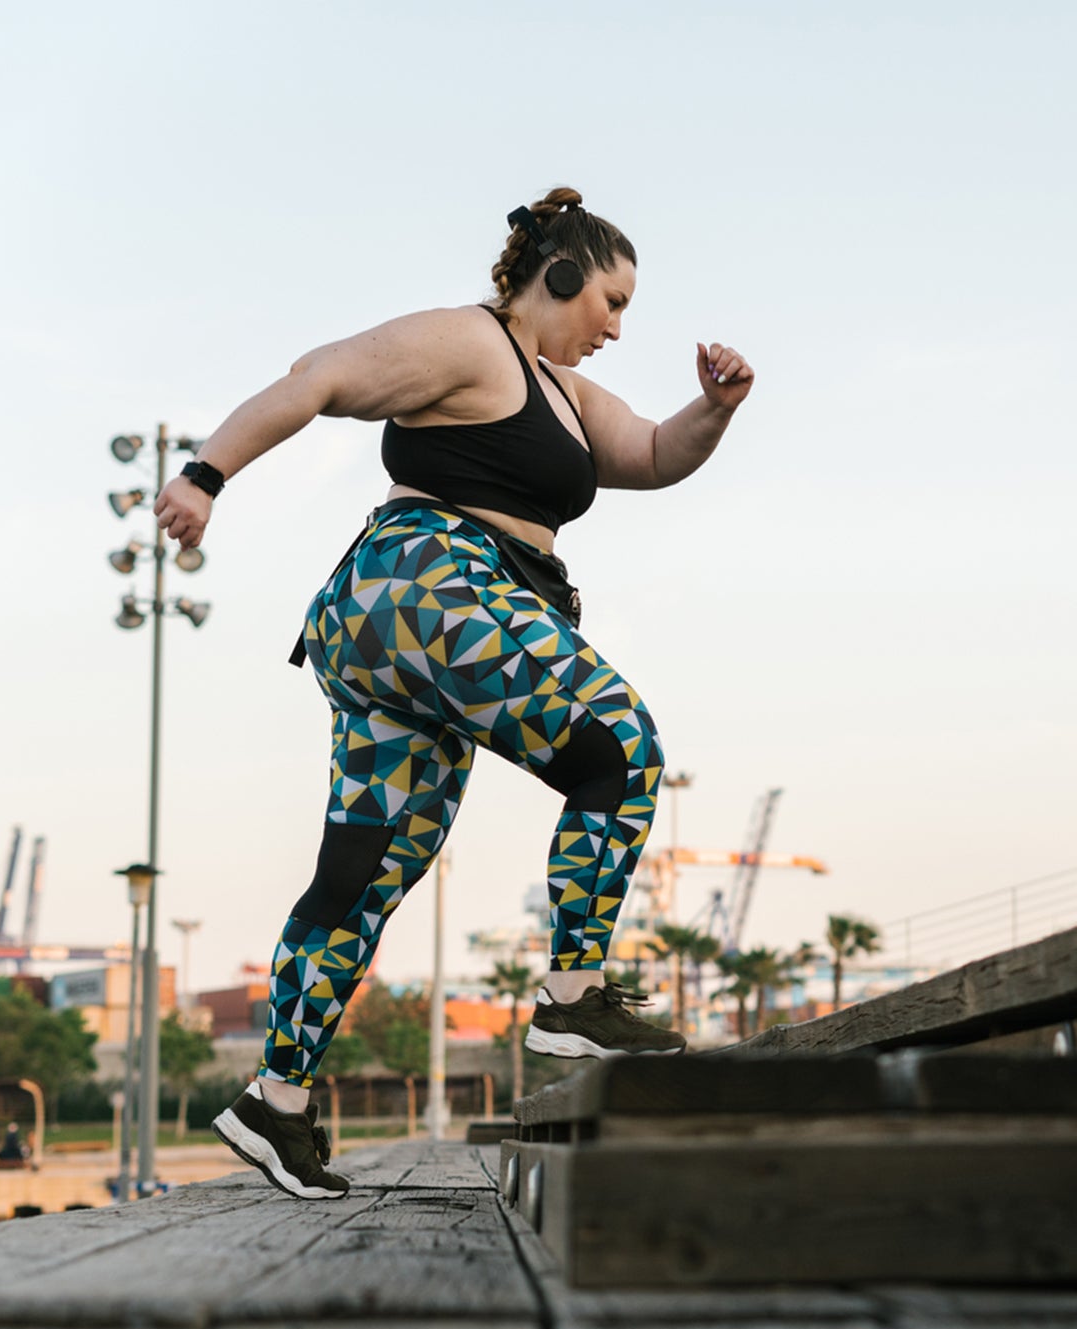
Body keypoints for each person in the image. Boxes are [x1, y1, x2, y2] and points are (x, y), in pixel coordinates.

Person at [166, 187, 755, 1201]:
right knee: (619, 744)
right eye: (609, 300)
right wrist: (205, 475)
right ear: (558, 276)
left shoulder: (566, 394)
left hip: (397, 635)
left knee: (369, 871)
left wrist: (715, 409)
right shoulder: (469, 344)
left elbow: (656, 456)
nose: (616, 327)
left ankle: (277, 1101)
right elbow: (316, 380)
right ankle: (572, 991)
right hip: (434, 582)